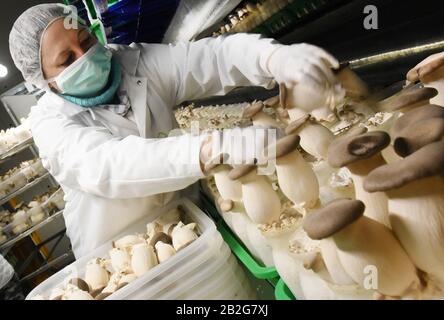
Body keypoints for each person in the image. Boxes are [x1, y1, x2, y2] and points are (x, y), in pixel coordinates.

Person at [9, 3, 341, 258]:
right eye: (67, 60)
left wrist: (273, 58)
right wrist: (209, 149)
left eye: (85, 40)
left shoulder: (133, 61)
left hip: (189, 224)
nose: (86, 56)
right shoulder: (50, 124)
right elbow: (108, 164)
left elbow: (211, 58)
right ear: (43, 80)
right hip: (120, 250)